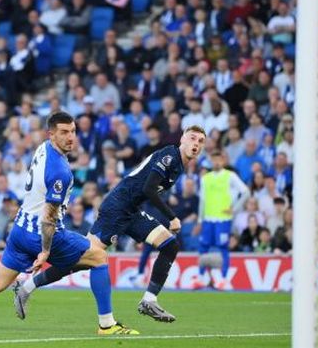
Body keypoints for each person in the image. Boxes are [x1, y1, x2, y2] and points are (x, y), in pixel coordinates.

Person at [0, 112, 138, 335]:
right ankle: (107, 324)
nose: (70, 137)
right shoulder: (60, 173)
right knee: (99, 257)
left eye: (73, 131)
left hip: (19, 230)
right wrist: (45, 251)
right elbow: (48, 218)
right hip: (42, 233)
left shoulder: (44, 147)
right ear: (51, 134)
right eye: (64, 132)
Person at [17, 125, 207, 322]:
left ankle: (149, 300)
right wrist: (172, 217)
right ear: (182, 139)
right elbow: (149, 189)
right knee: (81, 260)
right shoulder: (170, 155)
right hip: (117, 208)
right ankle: (26, 287)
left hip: (131, 211)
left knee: (170, 245)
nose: (196, 144)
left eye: (200, 141)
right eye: (192, 138)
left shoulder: (179, 166)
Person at [191, 151, 249, 290]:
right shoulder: (206, 178)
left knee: (223, 247)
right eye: (214, 159)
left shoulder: (230, 176)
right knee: (203, 247)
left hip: (223, 219)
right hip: (208, 219)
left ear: (223, 161)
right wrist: (200, 220)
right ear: (211, 160)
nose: (216, 162)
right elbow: (202, 201)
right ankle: (201, 278)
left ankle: (224, 279)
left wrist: (234, 209)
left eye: (219, 159)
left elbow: (246, 192)